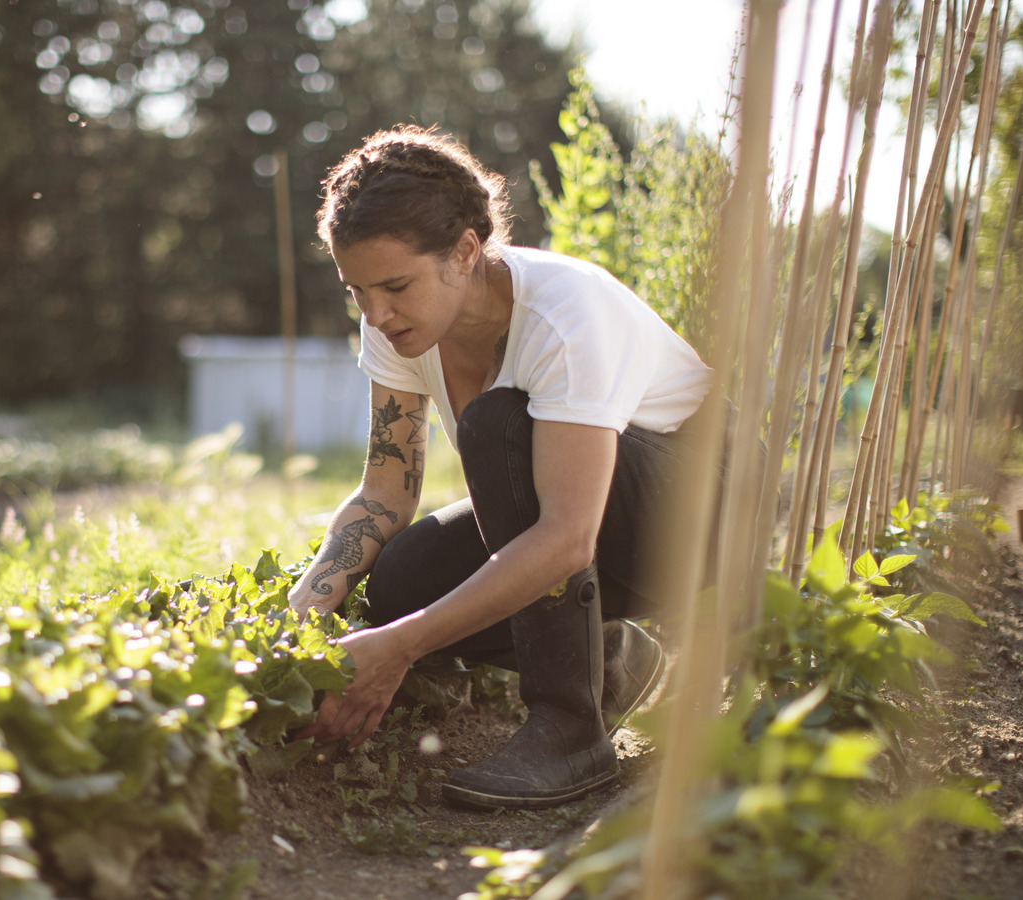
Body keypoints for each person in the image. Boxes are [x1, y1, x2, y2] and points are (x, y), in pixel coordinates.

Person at [285, 125, 716, 811]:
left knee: (495, 426)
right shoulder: (395, 327)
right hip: (596, 521)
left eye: (395, 285)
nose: (376, 313)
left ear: (464, 251)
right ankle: (611, 659)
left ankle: (571, 730)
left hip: (705, 512)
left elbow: (569, 537)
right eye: (357, 290)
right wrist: (303, 609)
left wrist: (400, 649)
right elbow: (384, 492)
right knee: (401, 580)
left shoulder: (564, 314)